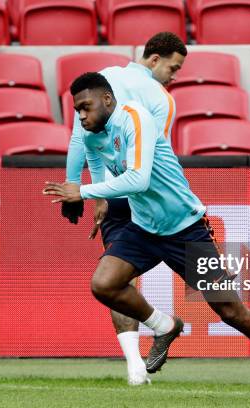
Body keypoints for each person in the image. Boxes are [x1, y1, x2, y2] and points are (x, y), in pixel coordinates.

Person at [45, 72, 250, 400]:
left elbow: (139, 179)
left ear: (107, 100)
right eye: (77, 110)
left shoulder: (135, 119)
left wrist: (84, 191)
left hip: (185, 229)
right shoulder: (92, 135)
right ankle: (164, 325)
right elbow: (96, 163)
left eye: (86, 107)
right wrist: (100, 200)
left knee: (231, 311)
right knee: (104, 284)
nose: (82, 116)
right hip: (144, 228)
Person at [62, 32, 186, 386]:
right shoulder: (160, 98)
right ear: (154, 59)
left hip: (112, 194)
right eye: (173, 68)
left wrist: (81, 190)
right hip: (145, 197)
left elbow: (82, 141)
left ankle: (135, 368)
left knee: (116, 280)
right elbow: (152, 160)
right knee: (115, 279)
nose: (173, 76)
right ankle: (144, 358)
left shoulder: (102, 80)